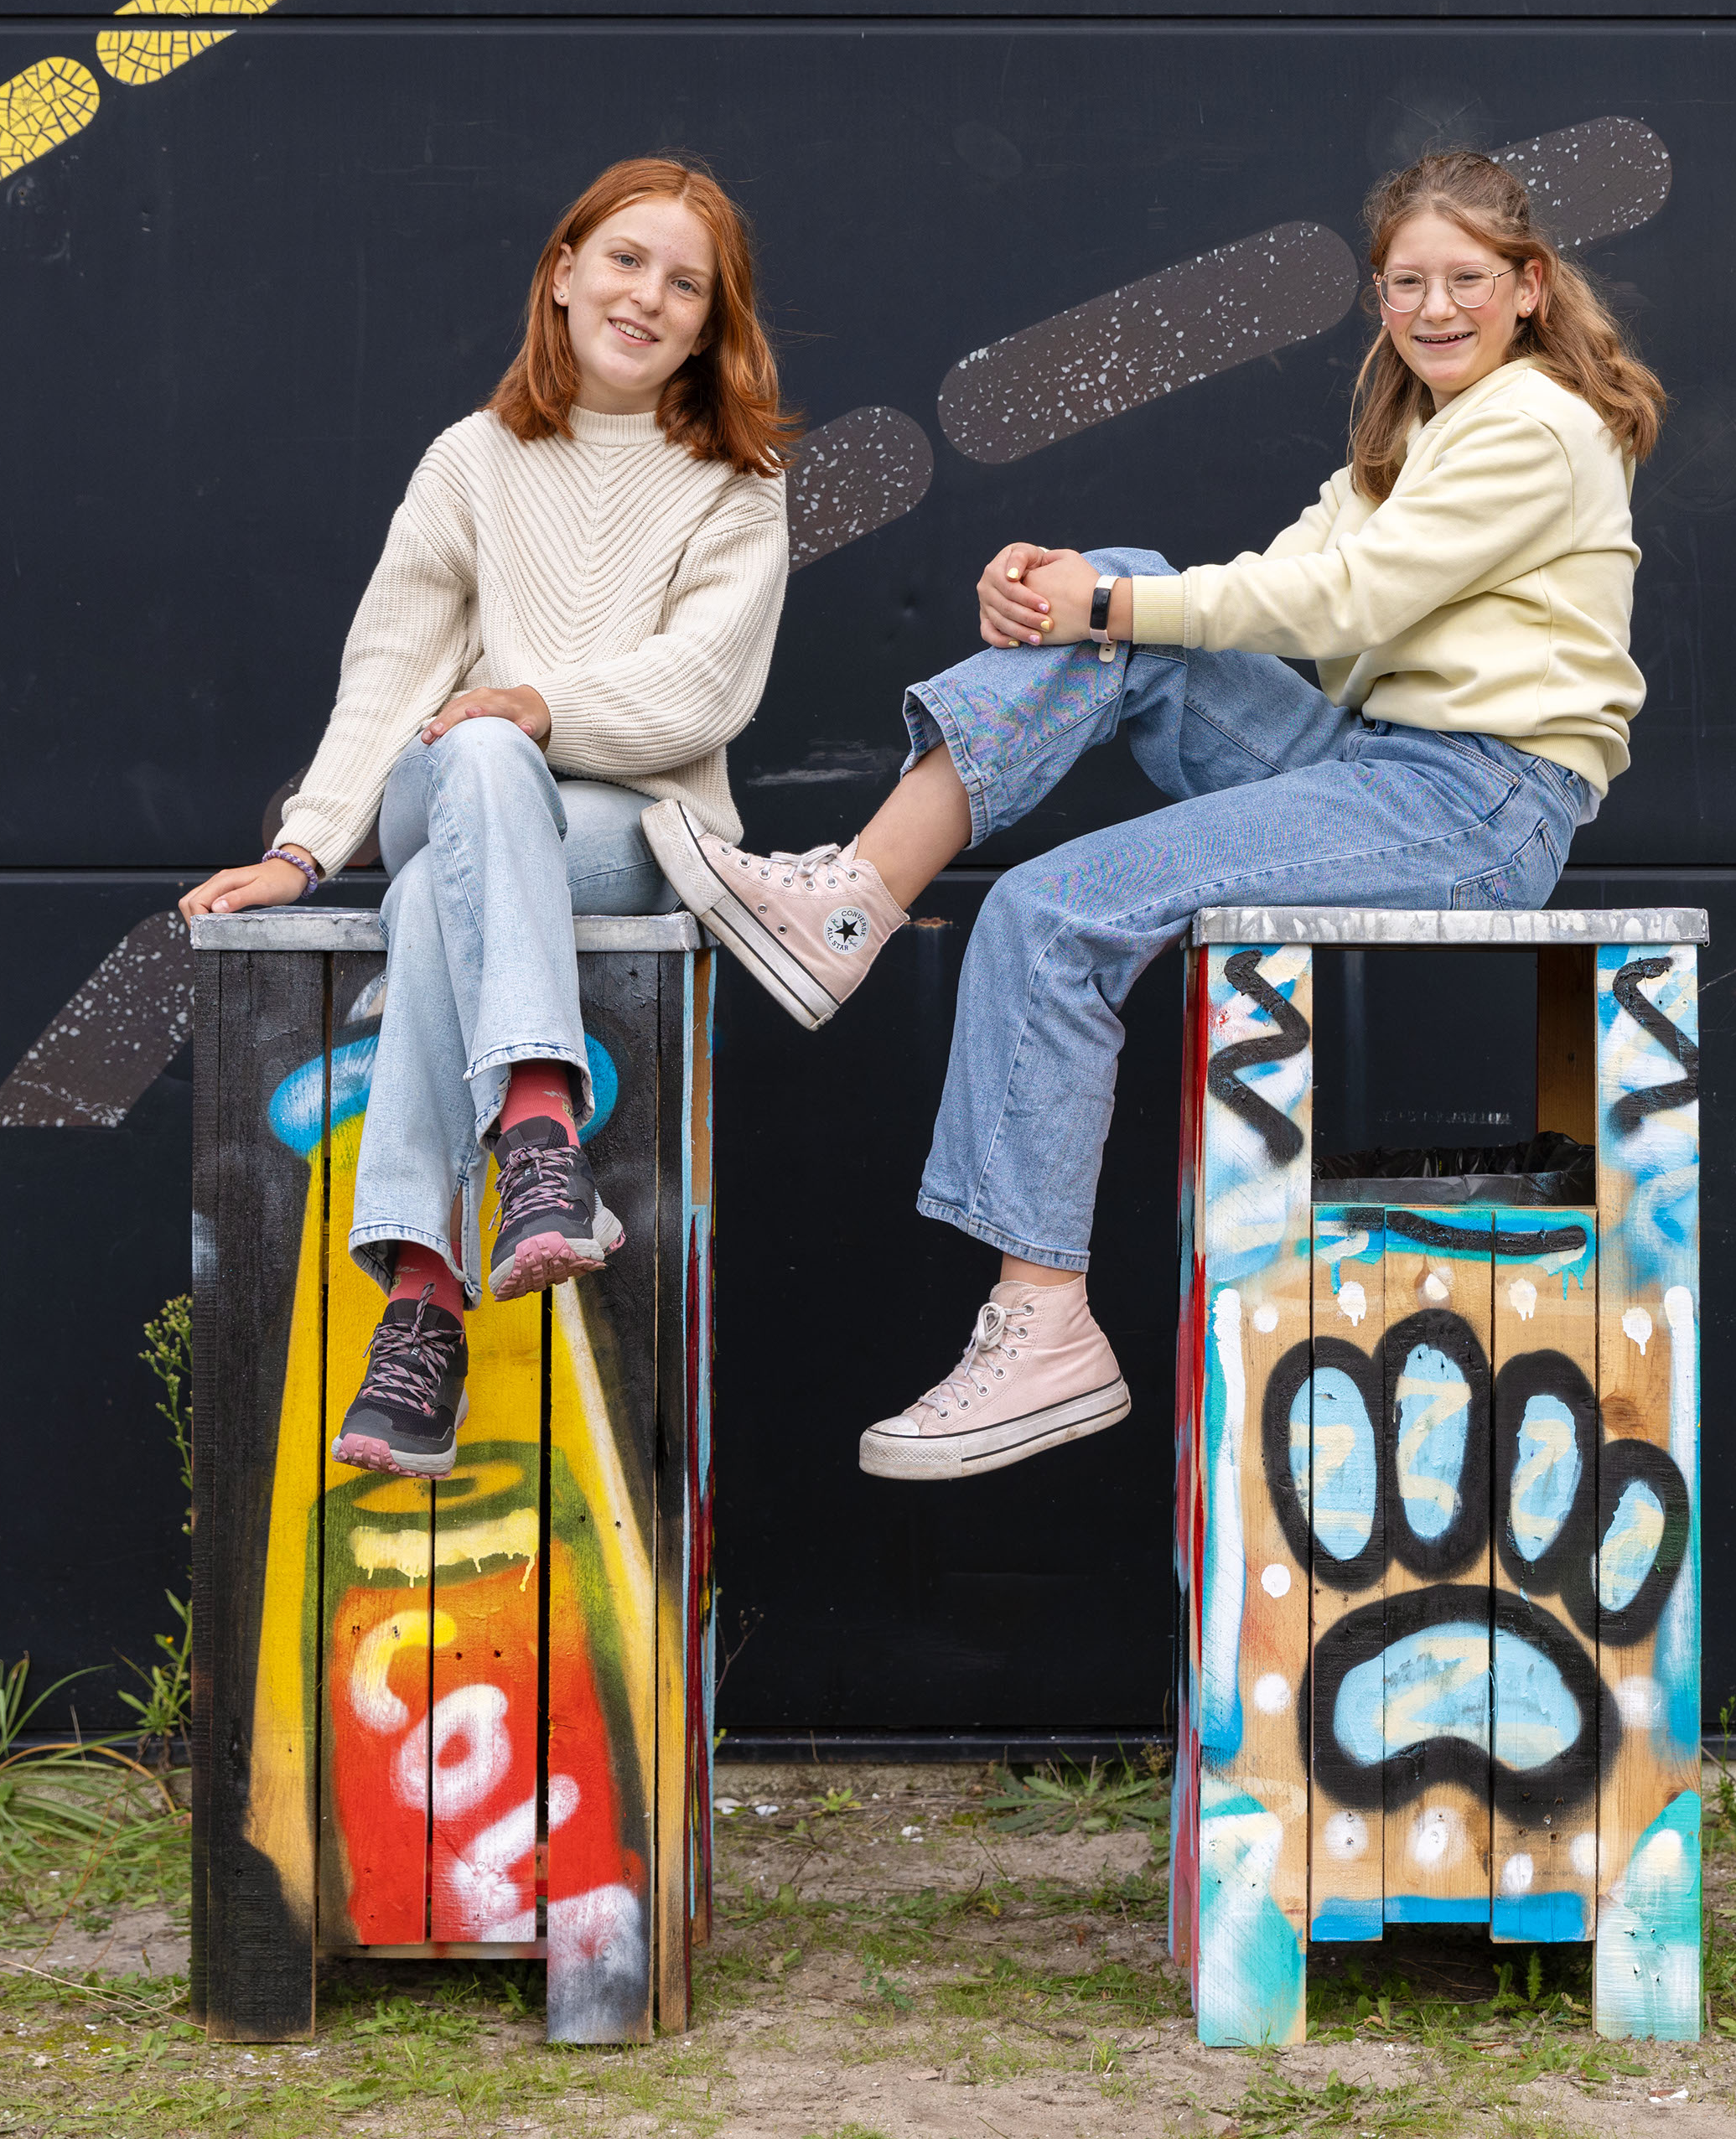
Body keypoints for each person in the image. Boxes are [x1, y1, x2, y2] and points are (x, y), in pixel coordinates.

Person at [648, 148, 1661, 1480]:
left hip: (1477, 805)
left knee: (1053, 908)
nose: (1433, 308)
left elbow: (1343, 607)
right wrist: (1082, 596)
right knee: (1126, 584)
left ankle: (1047, 1320)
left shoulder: (1536, 423)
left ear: (1528, 289)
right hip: (1377, 761)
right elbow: (1277, 581)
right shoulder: (1412, 439)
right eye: (1405, 283)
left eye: (1466, 279)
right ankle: (854, 904)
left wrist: (1106, 611)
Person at [180, 156, 793, 1478]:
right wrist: (304, 848)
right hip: (455, 790)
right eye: (625, 260)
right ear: (561, 275)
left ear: (711, 322)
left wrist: (535, 706)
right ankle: (535, 1125)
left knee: (429, 893)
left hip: (630, 832)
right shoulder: (474, 458)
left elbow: (702, 689)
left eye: (687, 284)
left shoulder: (736, 486)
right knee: (469, 764)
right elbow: (393, 668)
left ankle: (420, 1300)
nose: (649, 297)